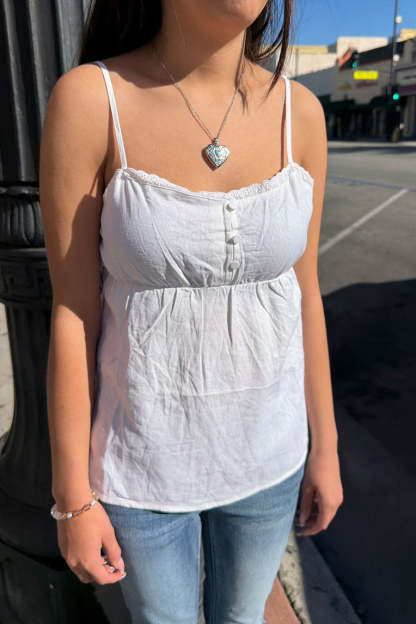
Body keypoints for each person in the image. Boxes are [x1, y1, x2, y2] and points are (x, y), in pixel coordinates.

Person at [39, 0, 343, 621]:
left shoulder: (302, 114)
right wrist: (72, 496)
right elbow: (73, 311)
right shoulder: (92, 100)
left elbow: (304, 293)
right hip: (141, 469)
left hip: (271, 460)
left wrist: (326, 448)